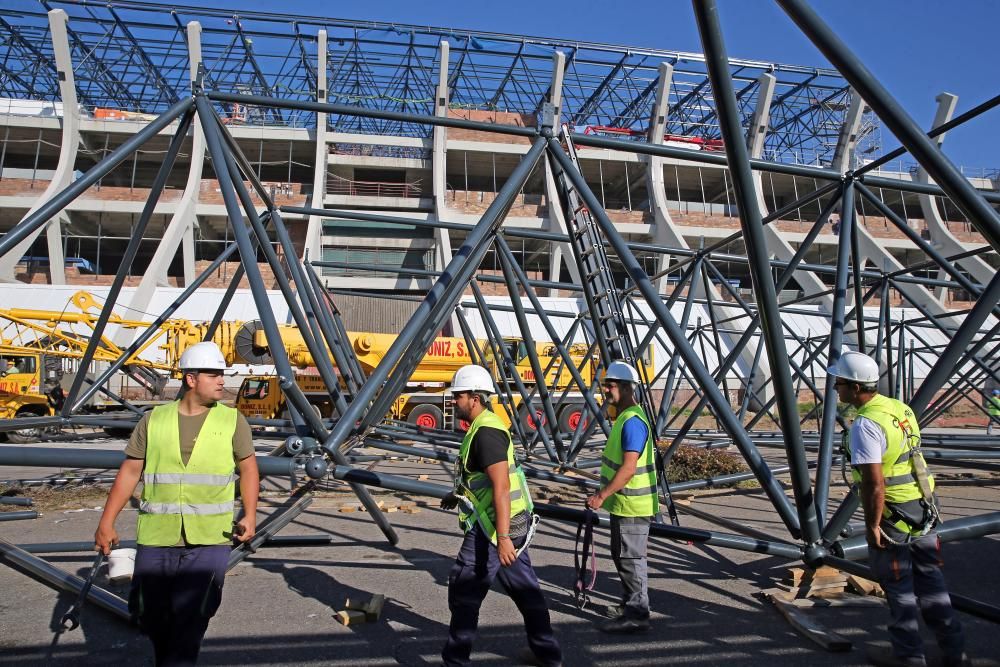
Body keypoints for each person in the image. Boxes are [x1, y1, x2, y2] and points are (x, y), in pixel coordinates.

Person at [94, 341, 259, 666]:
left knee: (192, 617)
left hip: (209, 538)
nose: (221, 381)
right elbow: (130, 471)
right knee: (150, 614)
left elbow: (249, 467)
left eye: (221, 374)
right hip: (159, 537)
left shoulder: (232, 420)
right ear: (191, 379)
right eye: (213, 374)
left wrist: (250, 515)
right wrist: (106, 521)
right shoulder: (154, 420)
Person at [830, 351, 968, 667]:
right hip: (922, 508)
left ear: (854, 387)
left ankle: (908, 656)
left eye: (839, 384)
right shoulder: (898, 408)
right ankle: (955, 652)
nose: (836, 389)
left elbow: (875, 484)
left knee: (899, 589)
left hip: (894, 516)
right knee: (932, 583)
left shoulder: (866, 424)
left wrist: (872, 526)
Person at [439, 364, 561, 667]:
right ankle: (547, 655)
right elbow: (480, 477)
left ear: (475, 398)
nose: (455, 402)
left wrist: (503, 538)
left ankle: (456, 660)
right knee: (525, 590)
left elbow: (502, 487)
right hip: (508, 523)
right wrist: (456, 495)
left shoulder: (487, 432)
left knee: (465, 590)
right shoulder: (484, 426)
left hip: (495, 528)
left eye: (459, 396)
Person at [586, 361, 658, 634]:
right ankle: (630, 604)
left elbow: (629, 468)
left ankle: (638, 614)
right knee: (622, 557)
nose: (606, 390)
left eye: (612, 385)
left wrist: (601, 495)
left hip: (633, 505)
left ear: (628, 388)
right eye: (606, 385)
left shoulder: (633, 422)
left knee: (631, 560)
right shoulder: (625, 418)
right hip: (623, 503)